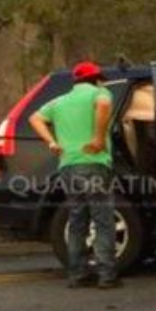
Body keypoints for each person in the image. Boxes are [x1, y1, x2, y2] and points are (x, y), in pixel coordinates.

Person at [29, 61, 121, 289]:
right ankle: (106, 275)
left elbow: (34, 118)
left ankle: (77, 274)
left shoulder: (59, 101)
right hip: (93, 163)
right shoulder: (100, 92)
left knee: (77, 220)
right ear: (97, 78)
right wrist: (99, 137)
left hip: (68, 165)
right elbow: (103, 105)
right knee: (102, 220)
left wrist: (52, 142)